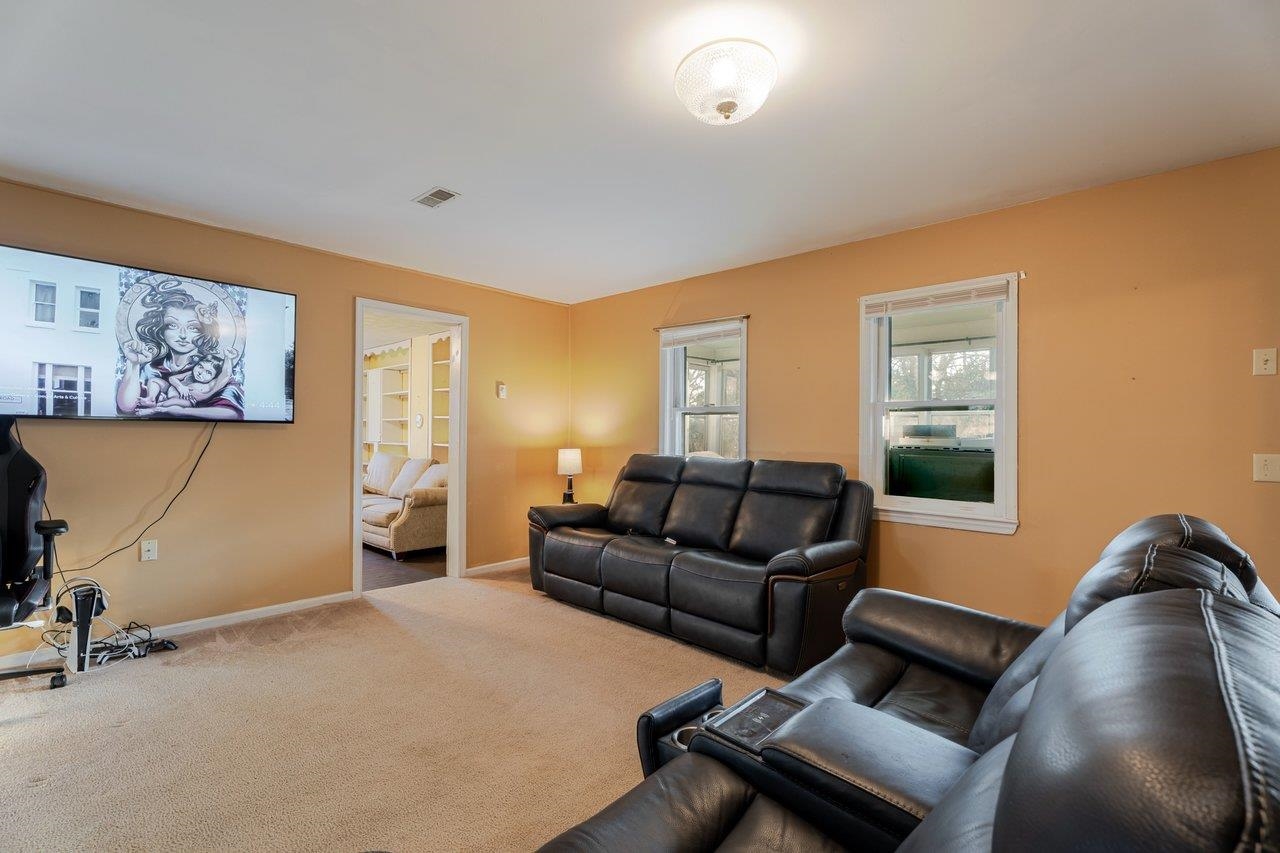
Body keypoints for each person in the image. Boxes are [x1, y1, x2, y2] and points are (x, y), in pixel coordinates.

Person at [115, 285, 244, 420]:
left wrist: (180, 412)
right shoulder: (151, 367)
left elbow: (232, 414)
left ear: (204, 332)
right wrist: (133, 364)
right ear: (161, 329)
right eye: (172, 325)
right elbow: (127, 408)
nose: (182, 335)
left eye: (193, 328)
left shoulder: (212, 368)